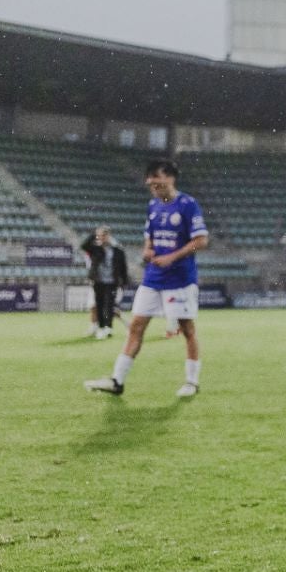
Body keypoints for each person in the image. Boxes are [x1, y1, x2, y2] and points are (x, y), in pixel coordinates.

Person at [85, 161, 208, 398]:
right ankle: (117, 381)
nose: (149, 181)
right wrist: (148, 251)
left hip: (179, 280)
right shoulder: (153, 206)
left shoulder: (187, 205)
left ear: (170, 178)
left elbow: (201, 240)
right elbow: (149, 237)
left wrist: (171, 257)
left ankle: (192, 382)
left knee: (187, 329)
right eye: (148, 177)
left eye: (154, 176)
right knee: (137, 327)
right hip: (153, 278)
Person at [82, 227, 128, 340]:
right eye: (100, 236)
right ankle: (101, 327)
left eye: (104, 235)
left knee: (108, 306)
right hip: (98, 282)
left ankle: (108, 328)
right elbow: (84, 245)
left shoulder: (117, 249)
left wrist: (124, 281)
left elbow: (123, 267)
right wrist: (95, 234)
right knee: (99, 305)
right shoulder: (96, 248)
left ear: (109, 236)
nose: (102, 238)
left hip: (112, 282)